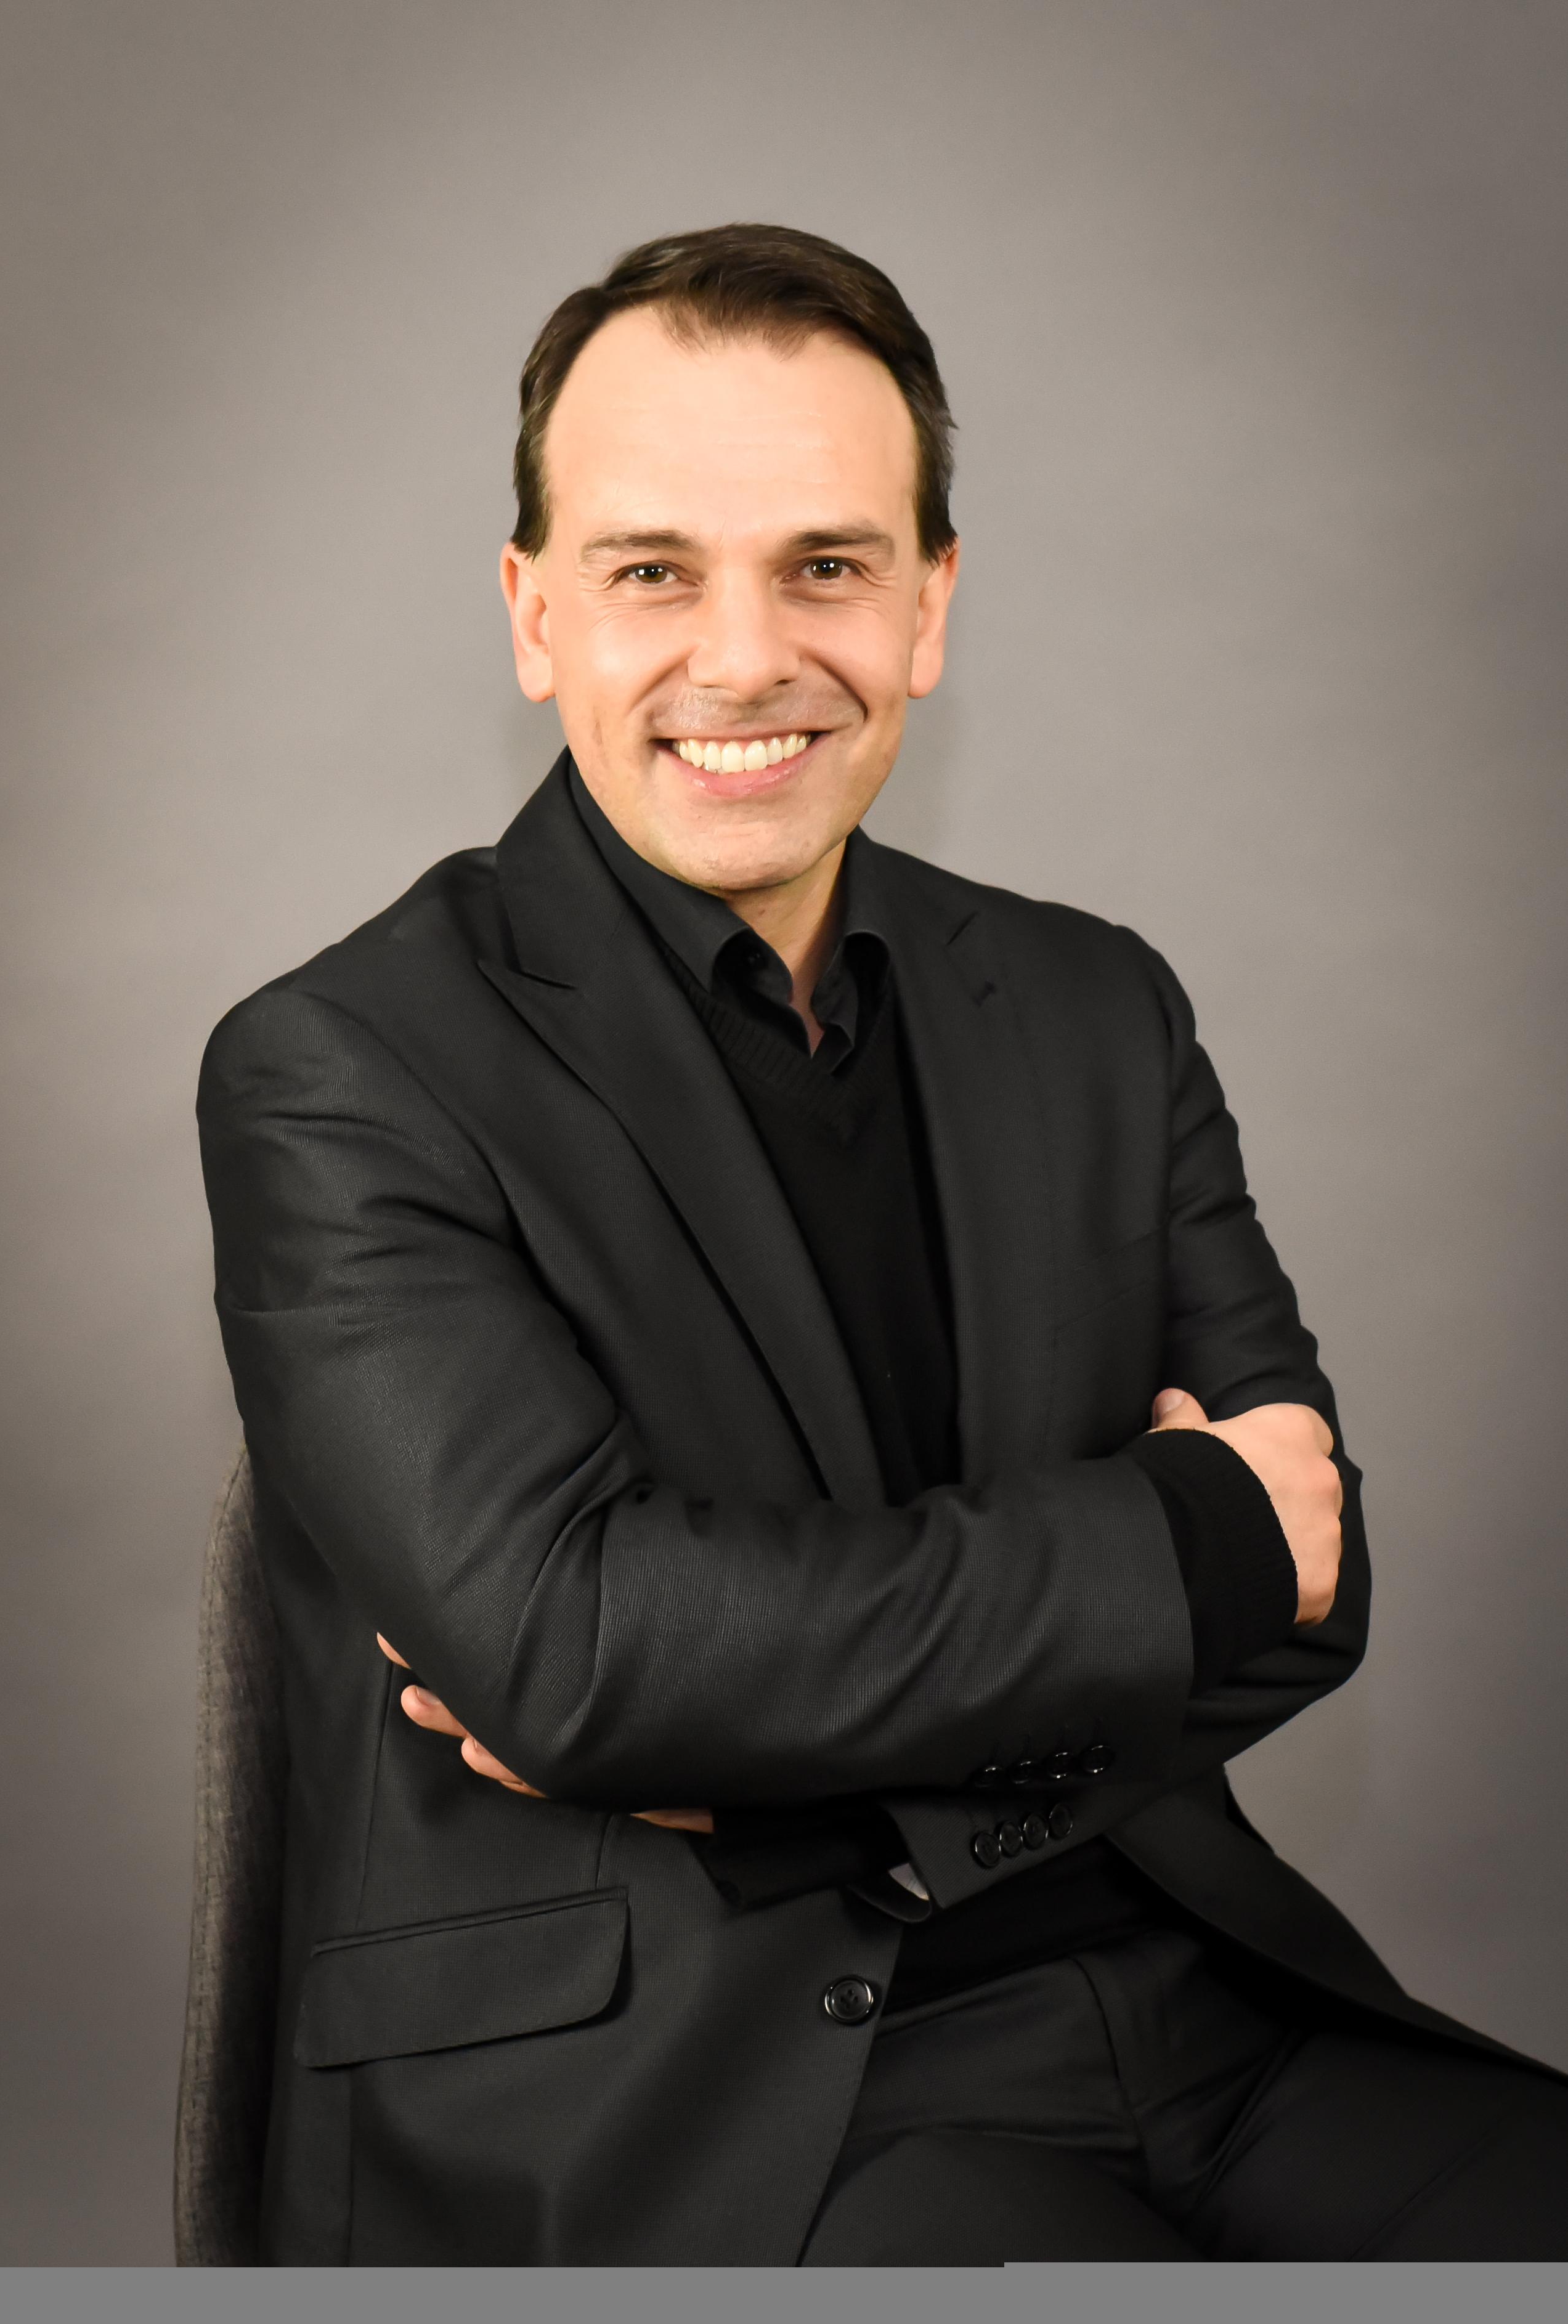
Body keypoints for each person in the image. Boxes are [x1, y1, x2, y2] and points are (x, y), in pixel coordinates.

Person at [197, 222, 1568, 2265]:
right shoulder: (341, 1065)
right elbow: (585, 1656)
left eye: (826, 565)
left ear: (929, 605)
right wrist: (1169, 1539)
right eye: (653, 571)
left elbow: (1307, 1578)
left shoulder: (1095, 1004)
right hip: (695, 2095)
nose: (747, 655)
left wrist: (773, 1752)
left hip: (1185, 1985)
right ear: (535, 615)